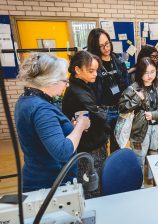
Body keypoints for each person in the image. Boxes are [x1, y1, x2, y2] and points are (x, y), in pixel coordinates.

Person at [15, 53, 90, 192]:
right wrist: (80, 126)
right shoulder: (42, 109)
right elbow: (63, 151)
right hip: (51, 184)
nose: (66, 85)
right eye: (64, 81)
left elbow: (41, 136)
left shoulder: (25, 100)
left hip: (36, 176)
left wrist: (70, 129)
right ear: (51, 81)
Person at [62, 51, 110, 198]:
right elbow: (98, 116)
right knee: (92, 186)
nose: (95, 74)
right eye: (91, 71)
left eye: (96, 70)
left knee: (97, 181)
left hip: (92, 144)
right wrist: (103, 116)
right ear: (77, 69)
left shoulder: (83, 85)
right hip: (89, 148)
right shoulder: (78, 93)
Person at [118, 57, 158, 183]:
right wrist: (137, 99)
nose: (150, 76)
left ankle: (153, 181)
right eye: (146, 73)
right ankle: (139, 186)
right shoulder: (133, 88)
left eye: (152, 72)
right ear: (140, 73)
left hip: (156, 128)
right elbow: (122, 107)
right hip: (139, 129)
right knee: (139, 159)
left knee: (154, 155)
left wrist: (154, 114)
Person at [87, 28, 129, 153]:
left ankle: (114, 171)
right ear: (95, 47)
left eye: (107, 43)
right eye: (101, 46)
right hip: (102, 111)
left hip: (119, 109)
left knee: (117, 145)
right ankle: (104, 171)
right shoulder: (93, 65)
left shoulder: (118, 60)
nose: (106, 48)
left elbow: (126, 83)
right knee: (101, 148)